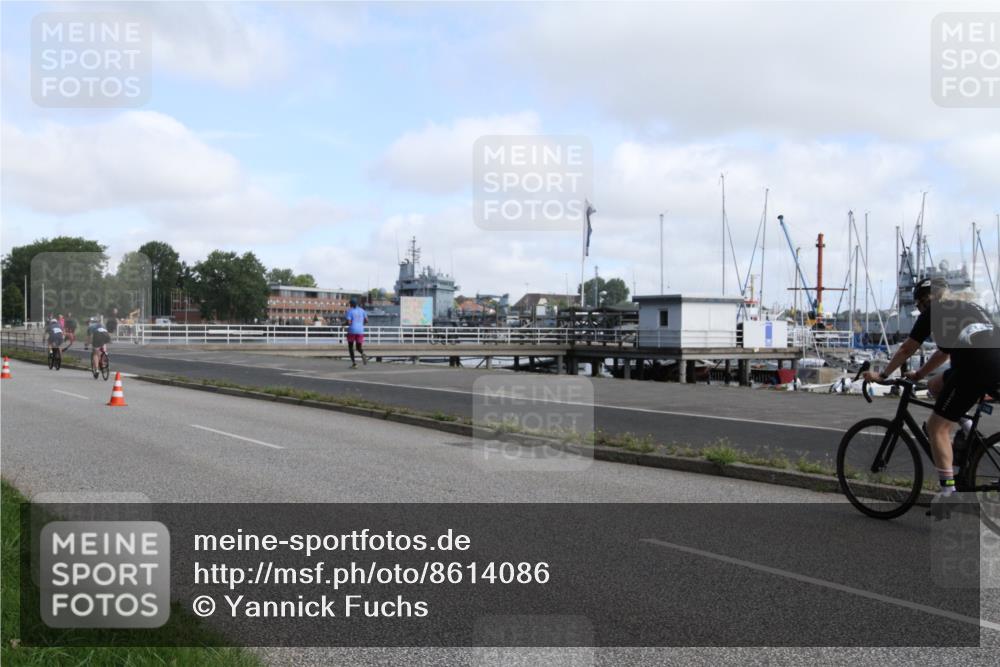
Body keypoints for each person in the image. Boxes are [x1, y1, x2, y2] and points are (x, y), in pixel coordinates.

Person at [864, 277, 1000, 498]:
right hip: (994, 362)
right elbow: (943, 353)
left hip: (974, 367)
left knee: (937, 428)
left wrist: (883, 375)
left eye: (918, 306)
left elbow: (907, 349)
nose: (919, 310)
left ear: (925, 301)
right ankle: (970, 434)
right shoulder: (967, 306)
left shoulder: (934, 311)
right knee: (935, 386)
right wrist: (919, 374)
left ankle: (949, 495)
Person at [344, 298, 368, 368]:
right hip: (360, 330)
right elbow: (366, 320)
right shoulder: (362, 310)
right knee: (358, 347)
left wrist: (343, 324)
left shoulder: (350, 311)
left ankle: (354, 364)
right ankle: (363, 353)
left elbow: (349, 322)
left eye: (350, 304)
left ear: (351, 304)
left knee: (350, 347)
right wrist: (361, 324)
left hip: (352, 330)